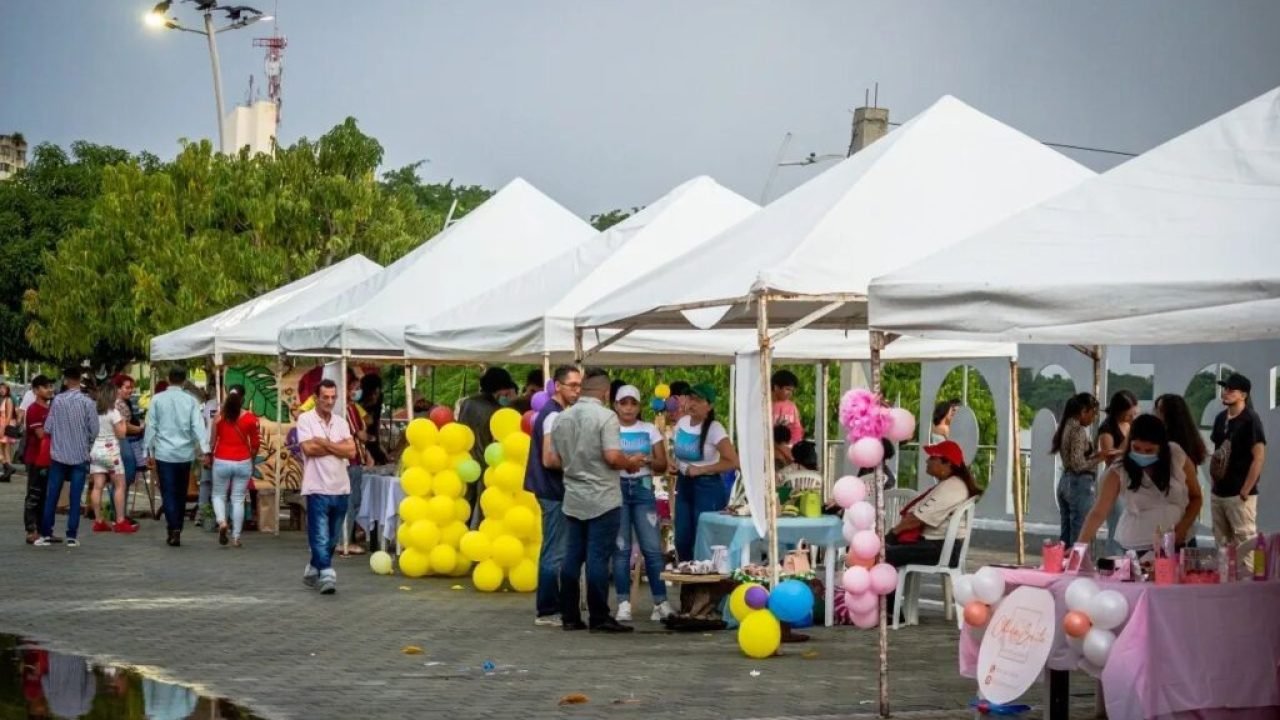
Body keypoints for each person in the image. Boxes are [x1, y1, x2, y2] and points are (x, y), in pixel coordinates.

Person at [551, 368, 642, 633]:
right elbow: (613, 457)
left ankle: (569, 615)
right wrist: (631, 464)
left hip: (573, 495)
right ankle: (599, 616)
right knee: (598, 559)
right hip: (602, 496)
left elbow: (554, 458)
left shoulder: (561, 418)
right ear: (606, 391)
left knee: (571, 558)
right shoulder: (606, 417)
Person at [1077, 414, 1201, 555]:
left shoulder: (1175, 455)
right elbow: (1098, 512)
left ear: (1161, 448)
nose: (1142, 454)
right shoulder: (1119, 469)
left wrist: (1183, 527)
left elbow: (1196, 497)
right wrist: (1079, 547)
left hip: (1181, 541)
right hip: (1139, 548)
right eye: (1136, 448)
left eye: (1149, 451)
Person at [524, 365, 581, 627]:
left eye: (579, 385)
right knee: (554, 550)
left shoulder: (556, 413)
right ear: (557, 386)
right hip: (552, 490)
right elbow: (549, 458)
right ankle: (547, 609)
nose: (577, 391)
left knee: (555, 548)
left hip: (551, 489)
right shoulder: (553, 416)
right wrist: (577, 465)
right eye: (572, 385)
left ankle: (551, 605)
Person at [611, 384, 673, 623]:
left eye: (632, 403)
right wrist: (625, 462)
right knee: (621, 549)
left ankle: (661, 601)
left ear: (638, 406)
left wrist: (643, 460)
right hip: (616, 489)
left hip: (643, 488)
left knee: (652, 548)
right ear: (615, 405)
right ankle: (623, 602)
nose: (628, 408)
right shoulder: (609, 428)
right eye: (623, 403)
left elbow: (661, 463)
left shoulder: (649, 429)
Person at [297, 379, 356, 594]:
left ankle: (313, 567)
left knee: (332, 537)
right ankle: (327, 573)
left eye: (333, 397)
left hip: (341, 487)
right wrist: (337, 447)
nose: (329, 401)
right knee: (319, 534)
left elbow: (351, 451)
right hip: (317, 486)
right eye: (325, 397)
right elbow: (309, 449)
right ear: (316, 398)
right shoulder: (305, 420)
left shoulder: (341, 422)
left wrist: (325, 443)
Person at [883, 440, 980, 568]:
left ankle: (884, 587)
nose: (927, 461)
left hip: (941, 549)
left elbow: (916, 520)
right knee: (876, 551)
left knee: (878, 554)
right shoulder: (952, 483)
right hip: (939, 545)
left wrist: (891, 535)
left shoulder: (952, 487)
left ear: (947, 463)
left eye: (933, 458)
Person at [143, 367, 211, 548]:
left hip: (164, 453)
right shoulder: (191, 401)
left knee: (168, 492)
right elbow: (198, 426)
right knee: (181, 492)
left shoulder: (157, 399)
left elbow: (151, 427)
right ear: (184, 380)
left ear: (168, 378)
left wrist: (147, 452)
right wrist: (205, 450)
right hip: (184, 453)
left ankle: (173, 527)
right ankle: (177, 527)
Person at [672, 382, 739, 561]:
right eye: (691, 398)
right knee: (682, 537)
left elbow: (732, 461)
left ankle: (706, 581)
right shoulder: (682, 422)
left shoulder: (714, 428)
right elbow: (677, 451)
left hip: (707, 486)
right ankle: (688, 578)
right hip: (684, 483)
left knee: (704, 537)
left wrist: (702, 469)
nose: (692, 403)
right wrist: (676, 464)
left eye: (698, 400)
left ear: (708, 406)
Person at [1208, 373, 1266, 574]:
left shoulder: (1250, 419)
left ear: (1243, 394)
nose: (1226, 392)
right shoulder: (1220, 418)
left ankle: (1252, 584)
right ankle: (1226, 583)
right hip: (1219, 491)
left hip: (1239, 493)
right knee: (1222, 542)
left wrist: (1246, 489)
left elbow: (1258, 456)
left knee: (1245, 541)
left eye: (1231, 389)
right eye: (1225, 388)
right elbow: (1217, 450)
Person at [36, 367, 98, 548]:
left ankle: (46, 533)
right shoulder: (88, 403)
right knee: (75, 496)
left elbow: (47, 428)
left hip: (59, 455)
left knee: (52, 495)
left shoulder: (57, 401)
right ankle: (72, 536)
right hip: (79, 455)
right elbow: (94, 430)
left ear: (65, 380)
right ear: (80, 380)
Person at [1051, 392, 1117, 545]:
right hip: (1078, 483)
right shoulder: (1078, 431)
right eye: (1092, 414)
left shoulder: (1066, 426)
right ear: (1083, 412)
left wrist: (1096, 455)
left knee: (1066, 536)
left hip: (1065, 481)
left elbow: (1074, 459)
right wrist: (1100, 458)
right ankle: (1079, 567)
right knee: (1081, 535)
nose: (1093, 418)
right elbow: (1078, 464)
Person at [458, 367, 518, 522]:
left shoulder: (467, 403)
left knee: (463, 507)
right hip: (486, 464)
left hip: (464, 462)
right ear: (499, 388)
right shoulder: (496, 411)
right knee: (480, 512)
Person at [210, 384, 261, 548]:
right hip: (243, 461)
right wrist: (251, 460)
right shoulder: (250, 418)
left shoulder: (218, 417)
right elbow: (255, 444)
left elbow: (212, 441)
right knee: (238, 499)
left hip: (222, 459)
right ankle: (236, 537)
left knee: (218, 495)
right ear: (243, 398)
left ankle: (222, 521)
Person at [88, 382, 135, 534]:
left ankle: (98, 520)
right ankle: (120, 520)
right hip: (111, 451)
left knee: (97, 486)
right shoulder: (113, 412)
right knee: (120, 485)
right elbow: (121, 433)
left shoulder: (95, 411)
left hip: (96, 450)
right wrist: (122, 423)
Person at [1097, 390, 1139, 554]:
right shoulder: (1107, 429)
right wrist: (1128, 440)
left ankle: (1127, 565)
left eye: (1134, 414)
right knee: (1117, 528)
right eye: (1129, 414)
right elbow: (1111, 459)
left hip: (1131, 481)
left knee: (1130, 528)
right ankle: (1114, 562)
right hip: (1114, 481)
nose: (1131, 418)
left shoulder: (1130, 425)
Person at [340, 380, 373, 555]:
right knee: (352, 502)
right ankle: (345, 540)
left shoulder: (334, 410)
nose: (357, 391)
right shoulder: (349, 409)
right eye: (354, 387)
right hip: (351, 460)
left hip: (343, 460)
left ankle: (343, 538)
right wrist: (367, 435)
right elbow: (361, 434)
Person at [21, 375, 54, 544]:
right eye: (45, 387)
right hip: (35, 458)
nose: (49, 389)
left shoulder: (50, 409)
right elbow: (41, 434)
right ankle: (31, 530)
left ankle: (44, 530)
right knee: (34, 494)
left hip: (48, 459)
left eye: (50, 386)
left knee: (46, 496)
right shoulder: (34, 410)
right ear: (35, 390)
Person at [113, 375, 143, 527]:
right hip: (121, 441)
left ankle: (120, 514)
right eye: (127, 387)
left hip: (122, 441)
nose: (130, 390)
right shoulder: (119, 404)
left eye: (131, 387)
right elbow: (124, 425)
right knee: (123, 479)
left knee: (121, 480)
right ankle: (119, 514)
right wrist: (140, 428)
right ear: (118, 388)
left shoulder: (122, 402)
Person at [358, 373, 388, 465]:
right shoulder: (358, 399)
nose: (375, 397)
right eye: (372, 394)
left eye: (377, 394)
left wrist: (379, 444)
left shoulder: (379, 399)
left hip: (371, 435)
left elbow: (376, 421)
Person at [770, 370, 803, 445]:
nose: (790, 393)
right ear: (776, 387)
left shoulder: (792, 406)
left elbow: (797, 429)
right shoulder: (764, 405)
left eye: (792, 391)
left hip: (788, 449)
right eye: (787, 389)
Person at [0, 382, 16, 481]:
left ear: (8, 390)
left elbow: (9, 415)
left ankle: (7, 467)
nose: (1, 390)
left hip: (5, 426)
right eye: (0, 388)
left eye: (4, 388)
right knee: (5, 451)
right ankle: (8, 473)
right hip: (3, 425)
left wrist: (3, 428)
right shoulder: (3, 400)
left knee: (6, 450)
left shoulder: (8, 400)